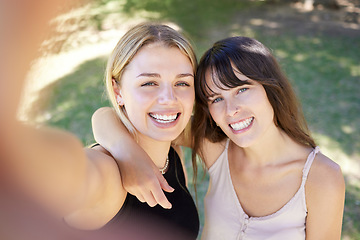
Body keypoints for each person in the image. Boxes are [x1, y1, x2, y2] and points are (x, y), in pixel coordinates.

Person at [92, 36, 345, 239]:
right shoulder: (215, 148)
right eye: (216, 98)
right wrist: (126, 152)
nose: (230, 110)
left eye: (242, 89)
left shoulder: (320, 178)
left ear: (271, 88)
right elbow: (106, 116)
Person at [2, 21, 199, 239]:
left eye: (182, 83)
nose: (169, 99)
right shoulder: (107, 175)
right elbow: (70, 174)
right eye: (149, 83)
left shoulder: (174, 155)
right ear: (118, 91)